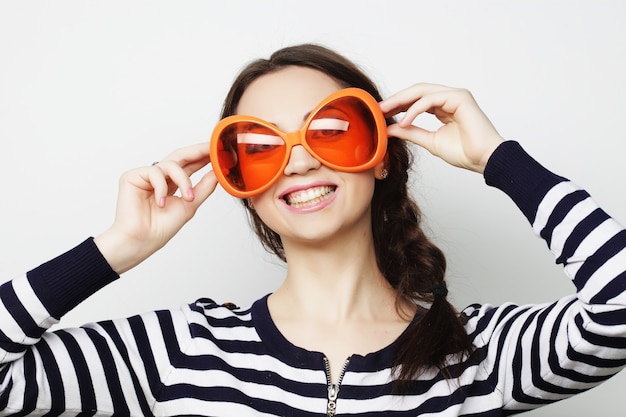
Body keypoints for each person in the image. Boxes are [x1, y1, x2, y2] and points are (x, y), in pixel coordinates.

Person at [1, 43, 625, 416]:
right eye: (261, 145)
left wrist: (499, 159)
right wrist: (117, 248)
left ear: (381, 151)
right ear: (240, 183)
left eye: (329, 129)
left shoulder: (476, 352)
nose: (298, 159)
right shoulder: (178, 351)